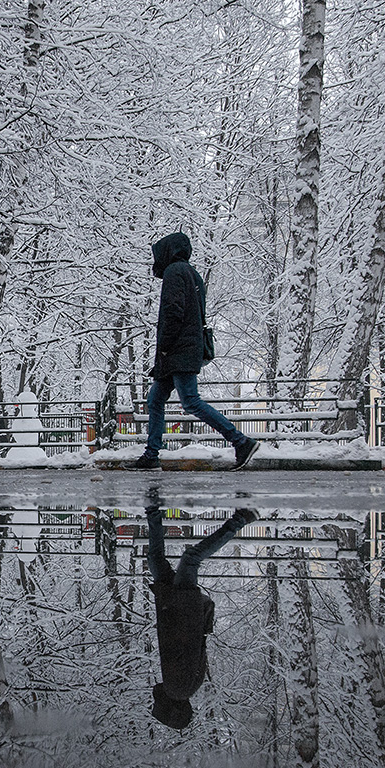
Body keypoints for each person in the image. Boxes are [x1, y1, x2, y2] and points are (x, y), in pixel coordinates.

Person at [126, 232, 259, 471]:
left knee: (190, 401)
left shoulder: (174, 272)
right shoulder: (192, 274)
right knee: (155, 399)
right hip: (182, 350)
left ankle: (241, 441)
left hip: (178, 351)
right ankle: (151, 454)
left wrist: (165, 348)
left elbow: (174, 313)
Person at [146, 502, 257, 729]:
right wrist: (173, 606)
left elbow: (195, 646)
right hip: (180, 608)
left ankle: (154, 511)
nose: (155, 702)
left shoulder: (185, 687)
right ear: (171, 709)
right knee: (190, 558)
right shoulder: (177, 688)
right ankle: (241, 520)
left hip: (179, 608)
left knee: (156, 561)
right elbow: (180, 642)